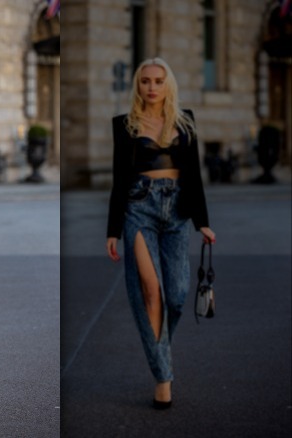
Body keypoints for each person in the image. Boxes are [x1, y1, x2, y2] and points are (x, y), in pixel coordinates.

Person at [106, 57, 216, 409]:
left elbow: (194, 176)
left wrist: (203, 222)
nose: (151, 86)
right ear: (138, 86)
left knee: (179, 295)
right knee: (151, 291)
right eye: (145, 81)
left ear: (168, 85)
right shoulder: (125, 125)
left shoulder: (186, 122)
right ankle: (163, 377)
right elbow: (119, 179)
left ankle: (160, 350)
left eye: (158, 80)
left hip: (178, 213)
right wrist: (113, 229)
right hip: (139, 209)